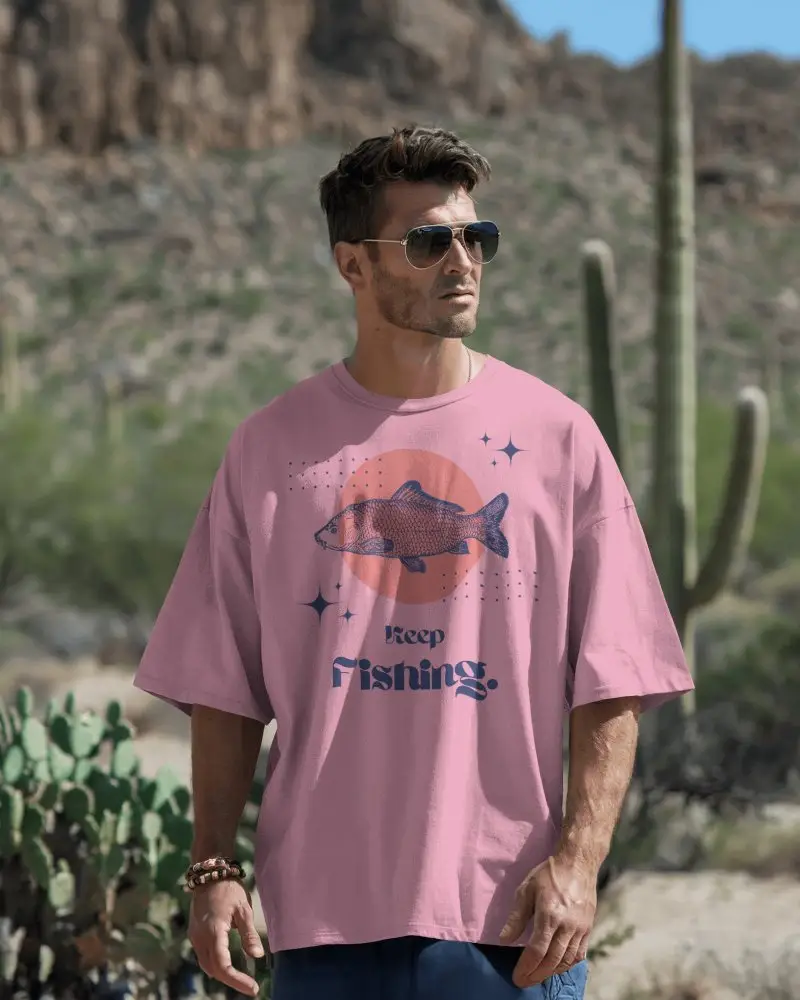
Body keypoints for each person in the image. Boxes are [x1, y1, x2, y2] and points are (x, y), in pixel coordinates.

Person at [133, 124, 694, 999]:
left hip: (509, 924)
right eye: (430, 242)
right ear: (354, 265)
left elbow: (613, 676)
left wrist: (579, 865)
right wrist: (213, 871)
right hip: (321, 922)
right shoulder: (269, 449)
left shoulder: (560, 438)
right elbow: (222, 687)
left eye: (478, 238)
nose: (462, 261)